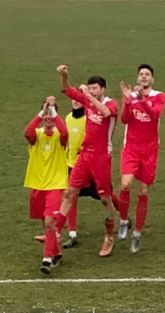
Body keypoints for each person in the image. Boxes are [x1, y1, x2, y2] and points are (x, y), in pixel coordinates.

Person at [53, 65, 120, 258]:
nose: (91, 91)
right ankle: (56, 232)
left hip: (101, 157)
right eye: (89, 88)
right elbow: (66, 90)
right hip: (84, 155)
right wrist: (64, 76)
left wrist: (88, 97)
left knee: (105, 199)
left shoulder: (111, 103)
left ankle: (109, 236)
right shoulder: (88, 100)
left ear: (103, 89)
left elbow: (106, 113)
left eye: (95, 88)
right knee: (69, 193)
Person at [116, 63, 165, 253]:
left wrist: (142, 99)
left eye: (147, 75)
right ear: (137, 78)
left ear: (152, 79)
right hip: (131, 148)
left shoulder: (159, 96)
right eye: (141, 74)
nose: (144, 77)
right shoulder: (129, 96)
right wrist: (128, 101)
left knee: (143, 191)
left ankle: (137, 233)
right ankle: (123, 220)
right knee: (125, 184)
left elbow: (154, 115)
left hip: (150, 151)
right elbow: (125, 119)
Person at [24, 96, 69, 274]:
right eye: (46, 115)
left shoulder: (60, 137)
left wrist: (54, 112)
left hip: (55, 185)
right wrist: (41, 112)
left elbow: (65, 133)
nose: (49, 118)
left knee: (50, 221)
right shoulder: (37, 136)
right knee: (46, 222)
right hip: (37, 184)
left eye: (51, 115)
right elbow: (27, 132)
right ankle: (56, 254)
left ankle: (47, 259)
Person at [56, 98, 99, 249]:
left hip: (89, 166)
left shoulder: (89, 119)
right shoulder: (68, 118)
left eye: (78, 100)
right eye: (73, 99)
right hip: (71, 165)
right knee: (70, 196)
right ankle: (72, 234)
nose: (75, 102)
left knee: (104, 194)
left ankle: (123, 215)